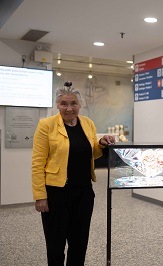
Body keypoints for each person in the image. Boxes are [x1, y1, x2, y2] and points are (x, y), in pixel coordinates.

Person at [32, 81, 115, 266]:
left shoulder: (87, 123)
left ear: (80, 105)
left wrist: (101, 142)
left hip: (84, 193)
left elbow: (92, 151)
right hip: (56, 194)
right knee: (55, 245)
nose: (69, 108)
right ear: (57, 105)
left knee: (79, 243)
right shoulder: (46, 125)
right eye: (64, 104)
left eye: (73, 103)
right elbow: (37, 163)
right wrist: (40, 196)